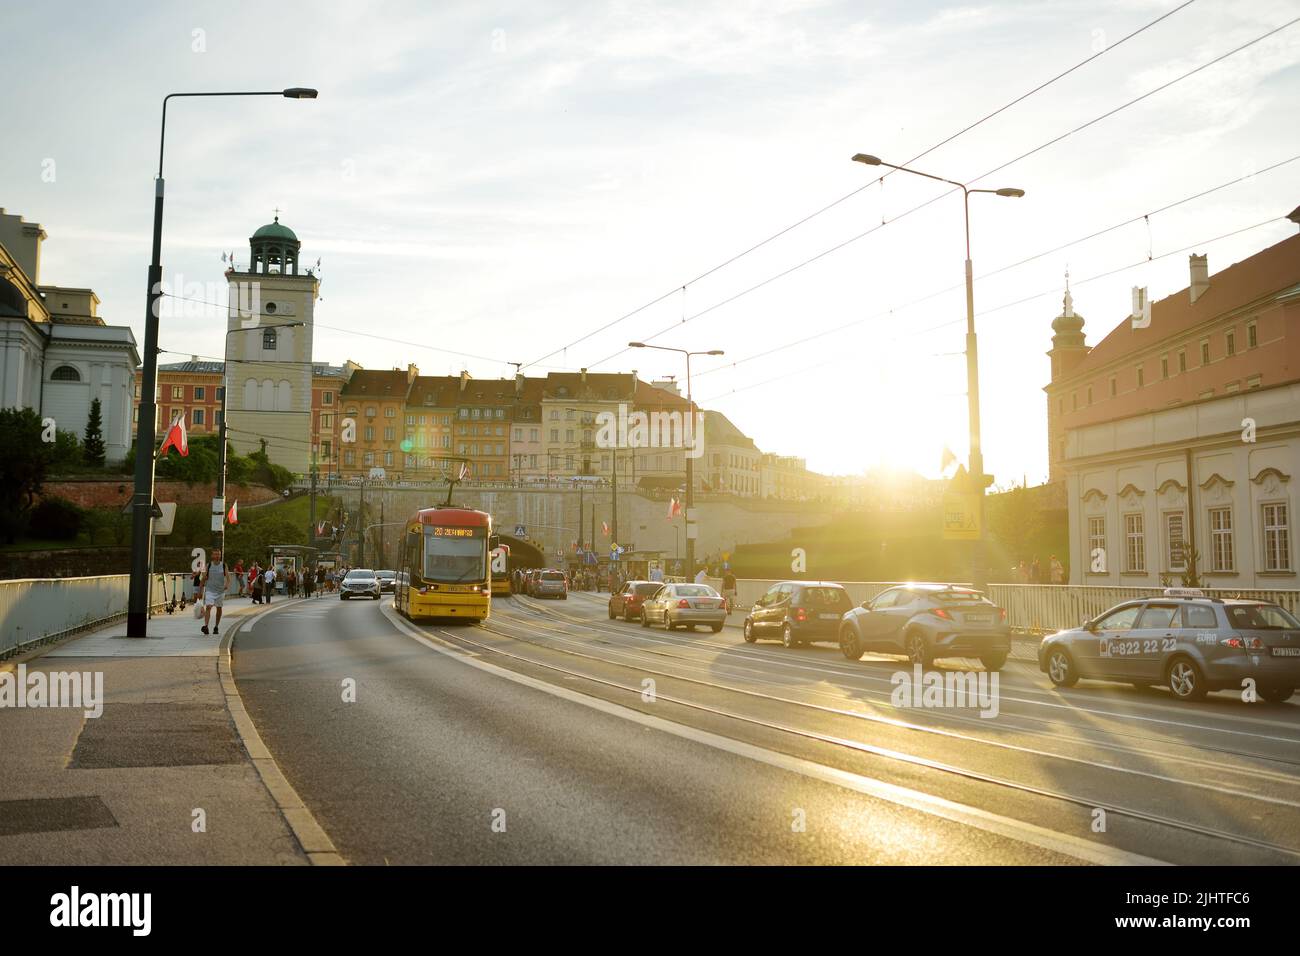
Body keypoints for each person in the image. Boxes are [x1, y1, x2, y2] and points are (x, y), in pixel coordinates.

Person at [201, 548, 230, 636]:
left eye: (219, 554)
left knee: (219, 608)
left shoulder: (224, 565)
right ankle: (206, 626)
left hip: (220, 591)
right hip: (210, 590)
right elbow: (204, 577)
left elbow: (228, 578)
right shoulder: (209, 565)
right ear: (212, 556)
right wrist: (200, 589)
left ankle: (216, 627)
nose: (217, 556)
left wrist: (227, 585)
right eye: (215, 554)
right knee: (209, 606)